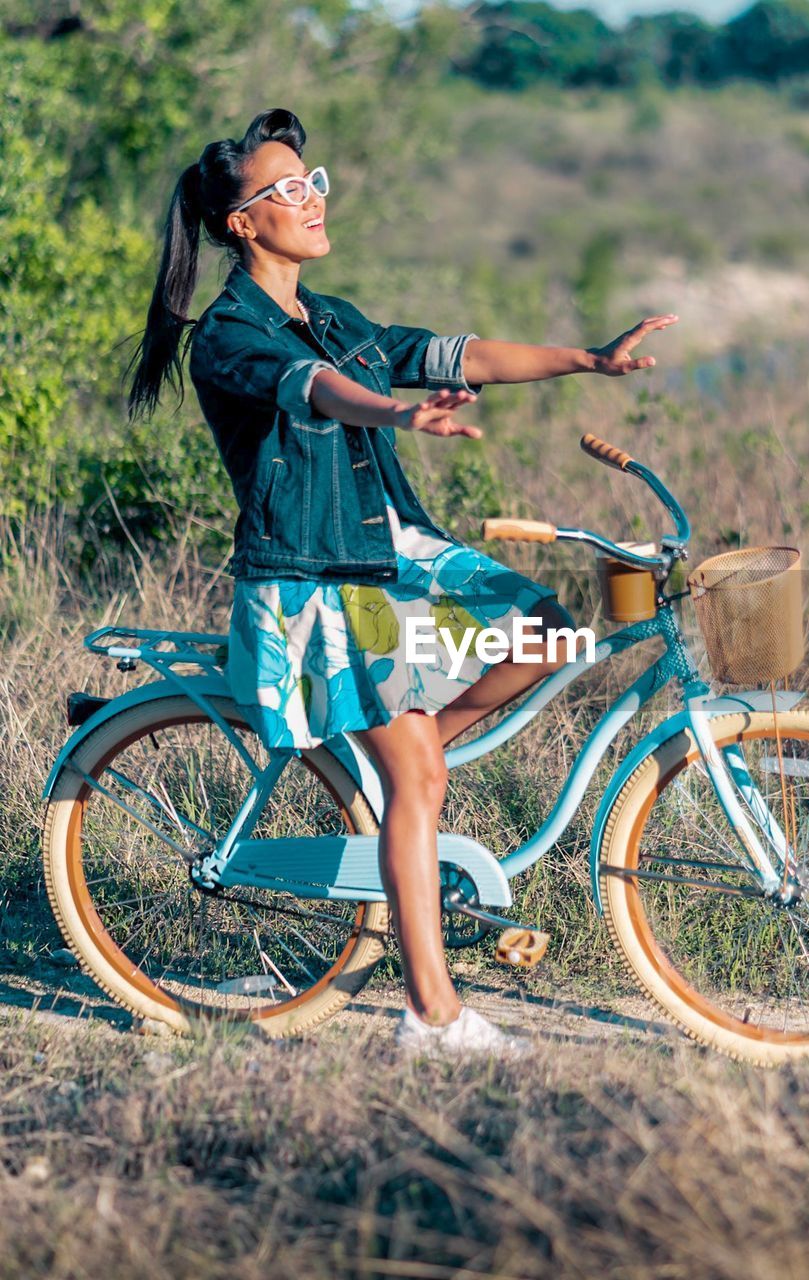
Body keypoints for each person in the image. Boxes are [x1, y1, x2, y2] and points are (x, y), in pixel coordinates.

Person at [126, 107, 676, 1058]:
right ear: (241, 224)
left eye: (312, 180)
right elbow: (315, 391)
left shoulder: (333, 317)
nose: (309, 198)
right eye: (282, 190)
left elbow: (460, 355)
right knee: (418, 773)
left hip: (393, 555)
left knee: (549, 633)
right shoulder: (230, 333)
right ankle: (432, 1014)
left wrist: (589, 358)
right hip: (316, 581)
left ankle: (402, 766)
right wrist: (396, 414)